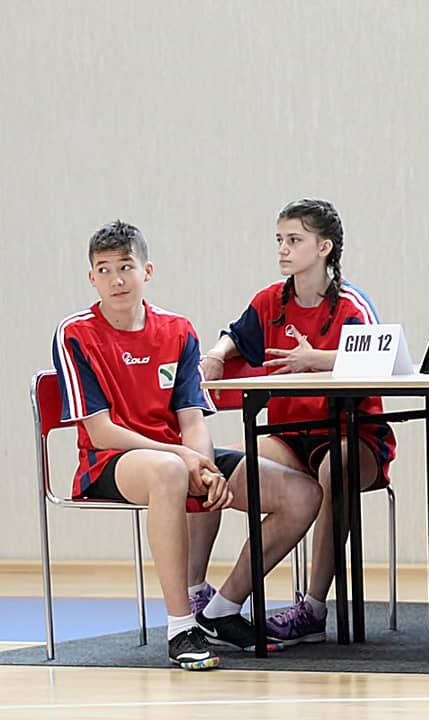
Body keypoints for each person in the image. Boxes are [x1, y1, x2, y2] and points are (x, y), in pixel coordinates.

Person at [53, 220, 322, 669]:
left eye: (126, 267)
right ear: (91, 278)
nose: (117, 279)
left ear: (147, 271)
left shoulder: (177, 330)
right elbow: (101, 432)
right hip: (112, 462)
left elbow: (192, 419)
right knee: (170, 471)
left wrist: (204, 464)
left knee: (303, 494)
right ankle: (181, 627)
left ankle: (222, 610)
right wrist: (184, 456)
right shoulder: (75, 333)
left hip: (176, 457)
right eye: (104, 270)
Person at [199, 198, 396, 646]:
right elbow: (237, 335)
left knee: (334, 471)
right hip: (288, 436)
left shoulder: (352, 305)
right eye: (279, 240)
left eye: (294, 240)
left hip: (352, 434)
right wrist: (216, 354)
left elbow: (381, 359)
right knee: (212, 469)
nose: (283, 249)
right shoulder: (270, 300)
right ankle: (205, 601)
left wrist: (317, 359)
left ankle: (313, 608)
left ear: (324, 247)